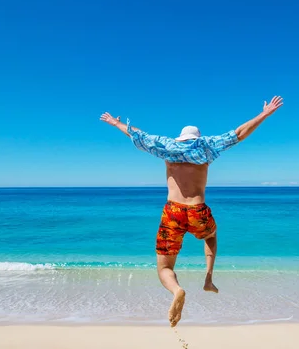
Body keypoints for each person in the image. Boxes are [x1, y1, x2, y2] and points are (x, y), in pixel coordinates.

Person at [100, 95, 284, 327]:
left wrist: (117, 124)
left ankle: (177, 290)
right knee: (210, 235)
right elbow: (239, 133)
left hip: (173, 211)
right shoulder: (207, 148)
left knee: (165, 267)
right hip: (197, 209)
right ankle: (208, 278)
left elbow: (140, 135)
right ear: (197, 137)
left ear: (181, 137)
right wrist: (265, 114)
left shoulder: (167, 147)